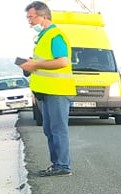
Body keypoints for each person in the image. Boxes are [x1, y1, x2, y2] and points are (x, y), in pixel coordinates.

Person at [20, 1, 77, 177]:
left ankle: (62, 166)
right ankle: (57, 164)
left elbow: (63, 61)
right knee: (50, 129)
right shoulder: (44, 37)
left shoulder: (55, 35)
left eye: (31, 17)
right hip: (46, 92)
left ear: (43, 16)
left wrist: (35, 64)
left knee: (57, 129)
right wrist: (30, 65)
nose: (29, 21)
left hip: (57, 91)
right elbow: (45, 62)